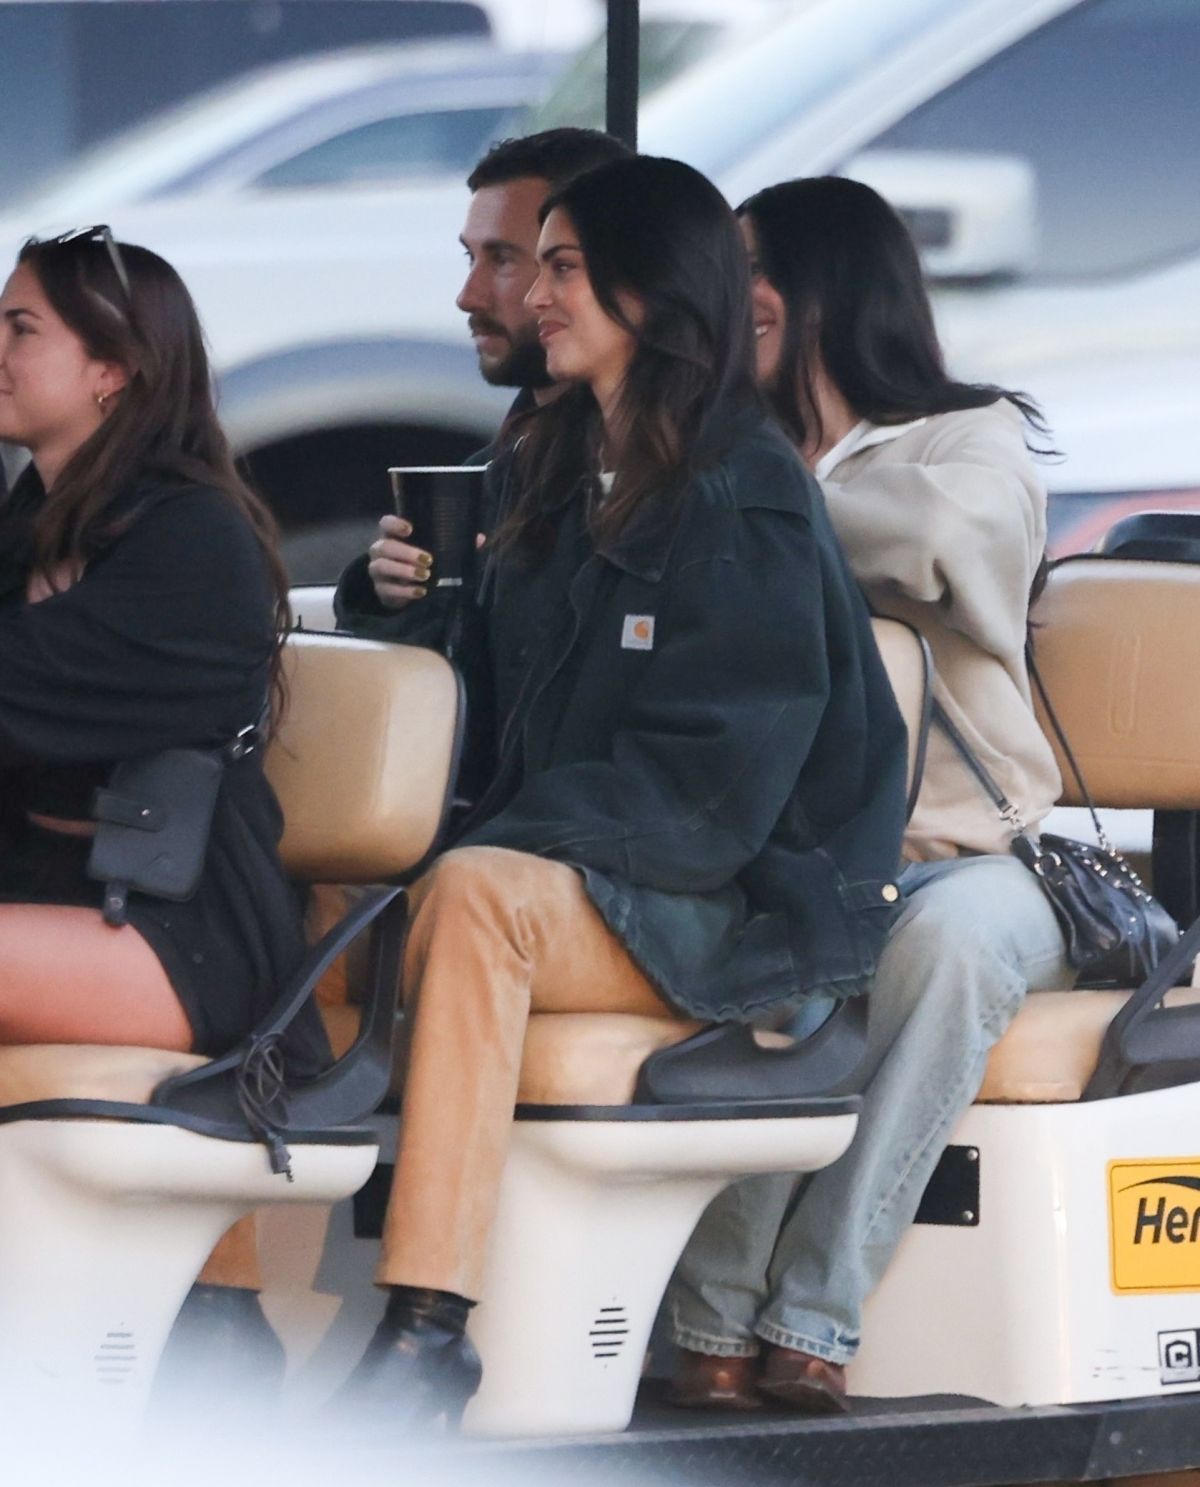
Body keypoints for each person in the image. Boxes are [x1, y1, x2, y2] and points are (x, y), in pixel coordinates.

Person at [333, 155, 909, 1426]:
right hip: (594, 872)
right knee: (304, 908)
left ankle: (427, 1325)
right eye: (533, 265)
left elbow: (713, 792)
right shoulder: (553, 466)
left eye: (563, 266)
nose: (530, 293)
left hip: (733, 910)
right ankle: (219, 1309)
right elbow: (485, 710)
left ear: (654, 293)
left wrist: (472, 853)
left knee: (475, 896)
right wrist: (404, 605)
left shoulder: (745, 493)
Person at [667, 176, 1070, 1414]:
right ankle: (712, 1319)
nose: (733, 302)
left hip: (973, 852)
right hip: (794, 853)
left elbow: (953, 539)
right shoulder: (713, 443)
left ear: (821, 288)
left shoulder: (969, 434)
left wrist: (756, 507)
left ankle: (812, 1315)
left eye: (750, 273)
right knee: (777, 969)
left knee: (948, 945)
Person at [0, 227, 327, 1066]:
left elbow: (21, 692)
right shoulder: (27, 526)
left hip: (175, 929)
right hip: (46, 898)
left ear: (111, 369)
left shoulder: (193, 542)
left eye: (21, 329)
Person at [345, 127, 631, 625]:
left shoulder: (676, 472)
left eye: (502, 259)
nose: (468, 295)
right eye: (469, 257)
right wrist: (389, 595)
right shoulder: (499, 469)